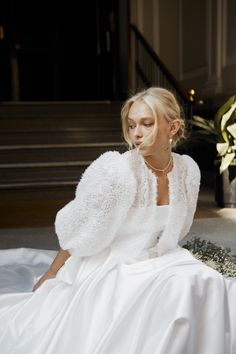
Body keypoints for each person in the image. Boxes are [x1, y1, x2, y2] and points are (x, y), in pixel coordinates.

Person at [0, 87, 235, 354]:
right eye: (132, 124)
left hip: (161, 257)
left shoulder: (187, 170)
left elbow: (177, 230)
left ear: (173, 127)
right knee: (182, 287)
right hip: (116, 264)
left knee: (209, 281)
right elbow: (79, 229)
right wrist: (53, 272)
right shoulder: (117, 170)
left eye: (147, 124)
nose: (136, 133)